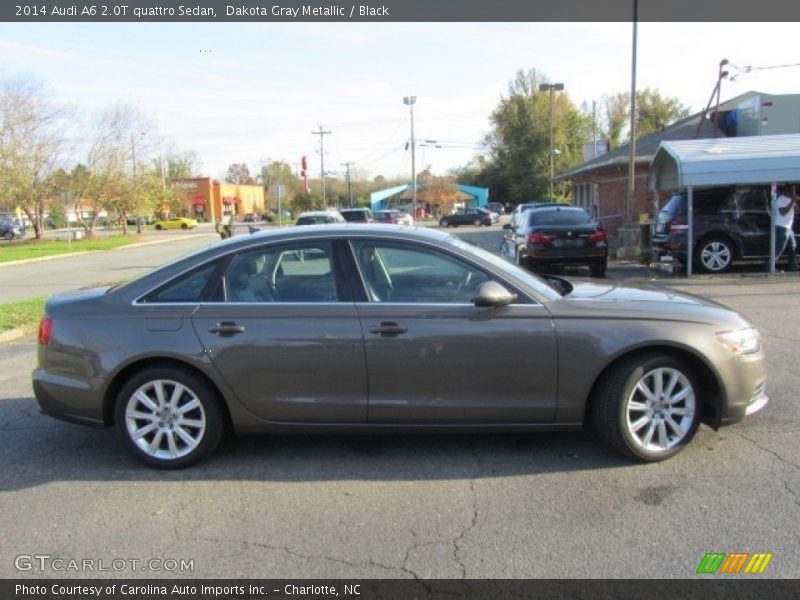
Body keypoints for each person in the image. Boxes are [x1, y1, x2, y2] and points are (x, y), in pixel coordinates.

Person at [775, 184, 798, 271]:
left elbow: (796, 210)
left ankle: (793, 265)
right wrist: (792, 202)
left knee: (793, 246)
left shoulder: (790, 199)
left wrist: (794, 202)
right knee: (779, 248)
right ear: (786, 190)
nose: (793, 192)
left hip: (788, 227)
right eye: (792, 190)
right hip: (781, 226)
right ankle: (771, 267)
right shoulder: (781, 199)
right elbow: (782, 212)